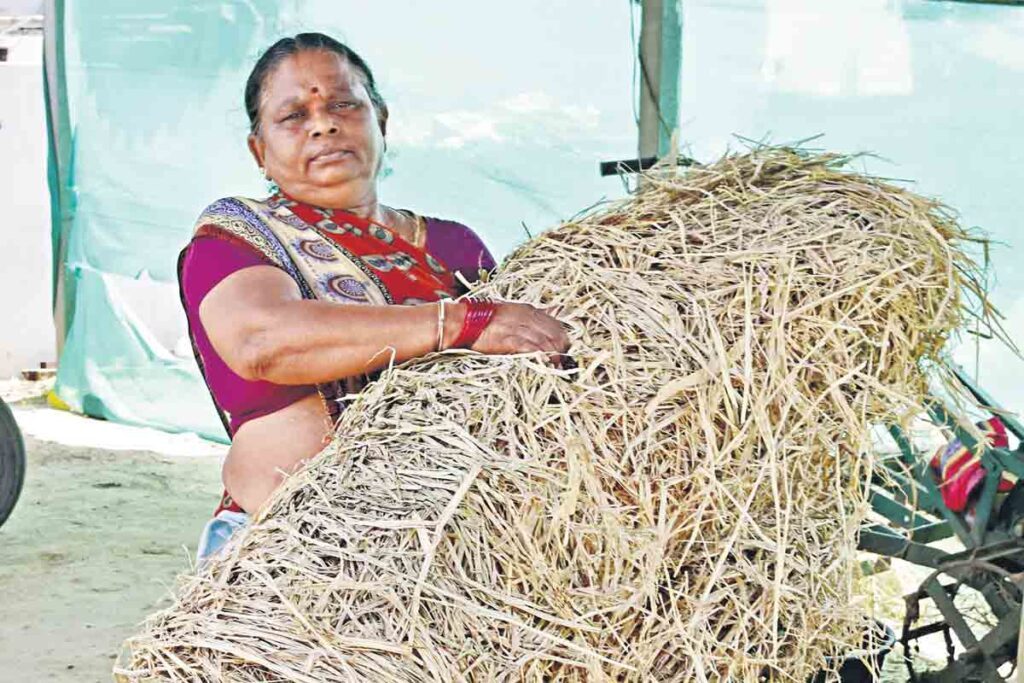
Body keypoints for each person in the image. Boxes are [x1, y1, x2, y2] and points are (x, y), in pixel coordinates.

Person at [178, 33, 570, 559]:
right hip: (286, 558)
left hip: (449, 547)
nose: (323, 123)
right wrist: (460, 323)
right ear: (259, 150)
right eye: (294, 116)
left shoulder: (454, 244)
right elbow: (263, 340)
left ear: (380, 121)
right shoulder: (239, 232)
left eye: (343, 104)